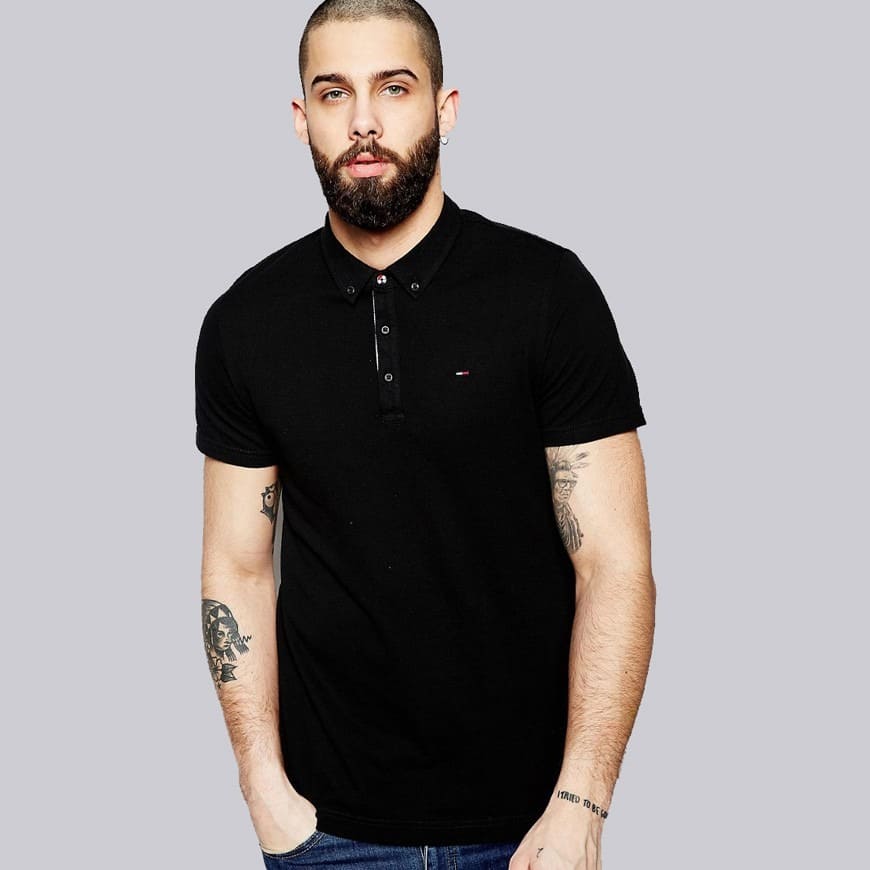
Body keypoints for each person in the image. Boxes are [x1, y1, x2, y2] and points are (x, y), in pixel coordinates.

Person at [194, 1, 655, 867]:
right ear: (301, 118)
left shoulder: (548, 295)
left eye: (394, 88)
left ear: (445, 108)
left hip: (530, 831)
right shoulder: (246, 322)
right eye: (334, 93)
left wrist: (581, 801)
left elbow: (615, 564)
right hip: (326, 833)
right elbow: (236, 565)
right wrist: (262, 788)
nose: (363, 121)